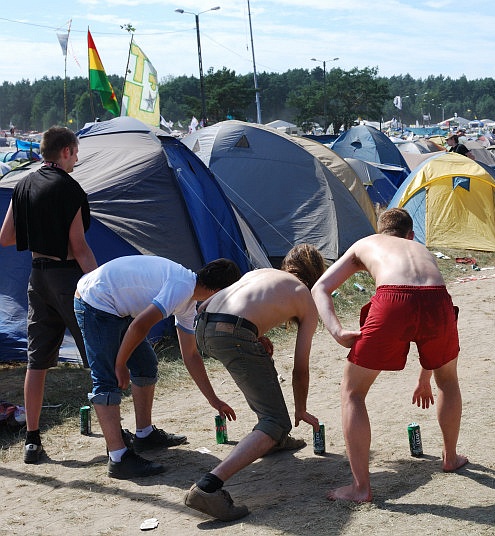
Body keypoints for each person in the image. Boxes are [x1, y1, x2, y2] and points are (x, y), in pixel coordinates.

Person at [310, 208, 467, 503]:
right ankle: (450, 456)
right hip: (438, 299)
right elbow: (422, 301)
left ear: (381, 233)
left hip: (393, 299)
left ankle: (360, 488)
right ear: (410, 235)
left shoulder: (365, 244)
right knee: (448, 381)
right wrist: (425, 376)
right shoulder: (421, 249)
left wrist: (337, 331)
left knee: (353, 393)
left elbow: (320, 287)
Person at [185, 244, 325, 521]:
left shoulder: (264, 273)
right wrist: (301, 409)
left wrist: (254, 334)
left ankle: (273, 441)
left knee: (261, 358)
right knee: (277, 422)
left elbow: (210, 305)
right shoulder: (304, 296)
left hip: (203, 324)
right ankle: (208, 487)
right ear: (315, 275)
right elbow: (300, 368)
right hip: (233, 332)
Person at [73, 255, 241, 479]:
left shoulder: (189, 300)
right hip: (94, 301)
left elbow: (190, 355)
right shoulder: (182, 288)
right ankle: (118, 458)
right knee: (106, 379)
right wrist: (121, 363)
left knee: (145, 365)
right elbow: (140, 325)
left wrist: (214, 400)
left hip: (115, 304)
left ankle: (144, 435)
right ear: (218, 291)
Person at [0, 126, 98, 465]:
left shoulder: (22, 184)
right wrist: (100, 283)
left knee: (36, 361)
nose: (78, 158)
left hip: (36, 277)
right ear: (67, 151)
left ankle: (32, 439)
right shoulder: (70, 189)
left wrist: (40, 229)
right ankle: (117, 437)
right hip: (67, 277)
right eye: (77, 151)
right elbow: (79, 247)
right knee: (97, 353)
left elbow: (6, 237)